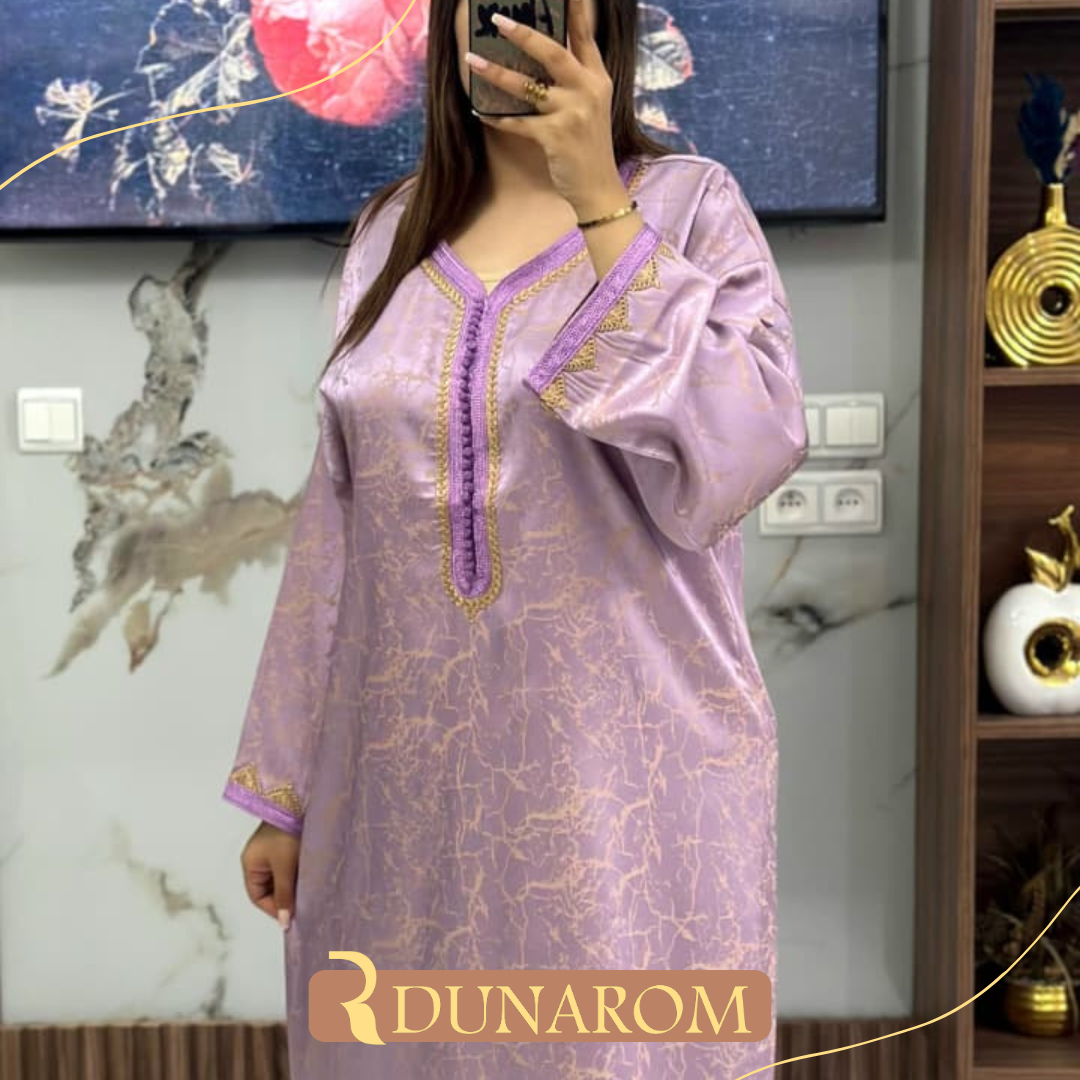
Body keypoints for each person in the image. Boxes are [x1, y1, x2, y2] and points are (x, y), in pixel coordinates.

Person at [222, 0, 808, 1075]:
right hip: (400, 798)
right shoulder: (391, 231)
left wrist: (601, 204)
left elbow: (746, 449)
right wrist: (286, 793)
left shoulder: (692, 207)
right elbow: (338, 530)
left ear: (603, 21)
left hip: (622, 798)